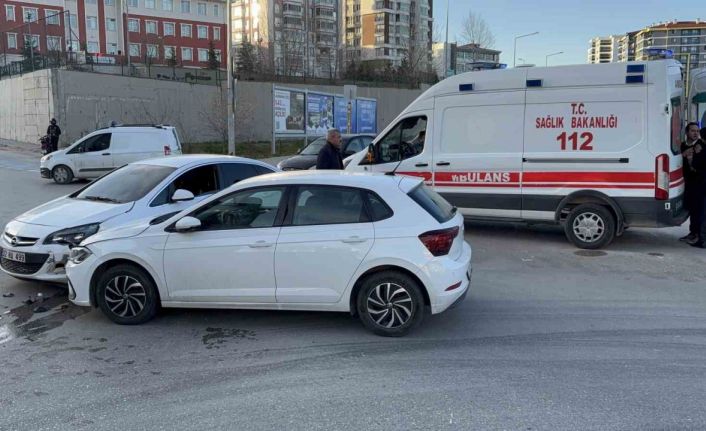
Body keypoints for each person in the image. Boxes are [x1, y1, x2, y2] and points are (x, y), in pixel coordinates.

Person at [680, 122, 702, 244]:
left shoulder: (700, 146)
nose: (695, 133)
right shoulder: (682, 145)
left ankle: (697, 234)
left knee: (697, 210)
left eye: (697, 131)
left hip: (698, 183)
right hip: (685, 182)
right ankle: (692, 232)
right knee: (690, 208)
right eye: (693, 131)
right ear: (687, 132)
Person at [689, 128, 706, 248]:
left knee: (703, 214)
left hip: (703, 185)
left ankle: (703, 240)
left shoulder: (701, 149)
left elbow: (694, 165)